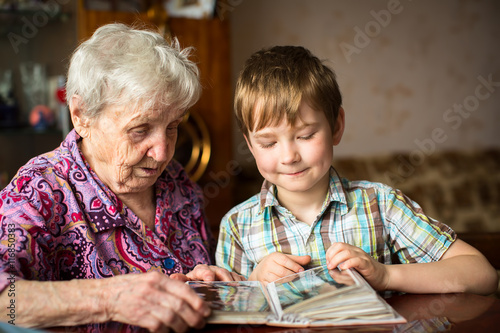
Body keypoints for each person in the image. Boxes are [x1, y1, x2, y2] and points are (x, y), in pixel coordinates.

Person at [0, 23, 242, 332]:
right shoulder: (34, 192)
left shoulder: (177, 181)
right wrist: (109, 298)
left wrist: (204, 282)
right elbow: (4, 300)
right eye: (141, 129)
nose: (162, 151)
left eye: (172, 126)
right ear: (81, 116)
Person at [216, 45, 498, 295]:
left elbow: (481, 275)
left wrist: (386, 275)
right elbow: (225, 310)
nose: (289, 156)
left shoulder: (382, 206)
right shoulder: (236, 226)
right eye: (268, 143)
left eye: (305, 136)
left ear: (336, 126)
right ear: (250, 146)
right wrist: (253, 281)